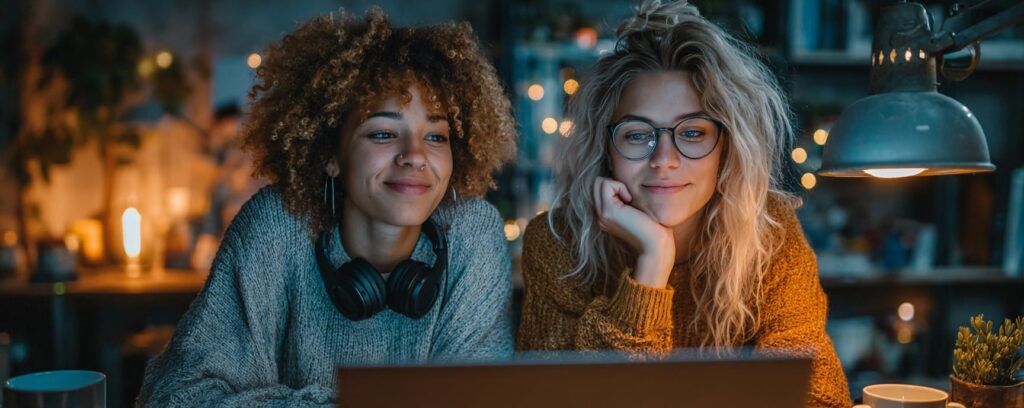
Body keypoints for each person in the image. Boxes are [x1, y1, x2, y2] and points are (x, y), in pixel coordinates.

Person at [138, 7, 517, 406]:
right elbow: (176, 397)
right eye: (384, 133)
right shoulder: (277, 226)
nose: (415, 156)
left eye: (437, 137)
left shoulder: (472, 235)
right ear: (330, 155)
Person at [514, 1, 852, 406]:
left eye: (692, 133)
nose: (664, 159)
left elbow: (818, 396)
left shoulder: (771, 235)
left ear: (725, 148)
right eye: (638, 134)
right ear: (606, 148)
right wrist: (653, 262)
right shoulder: (556, 244)